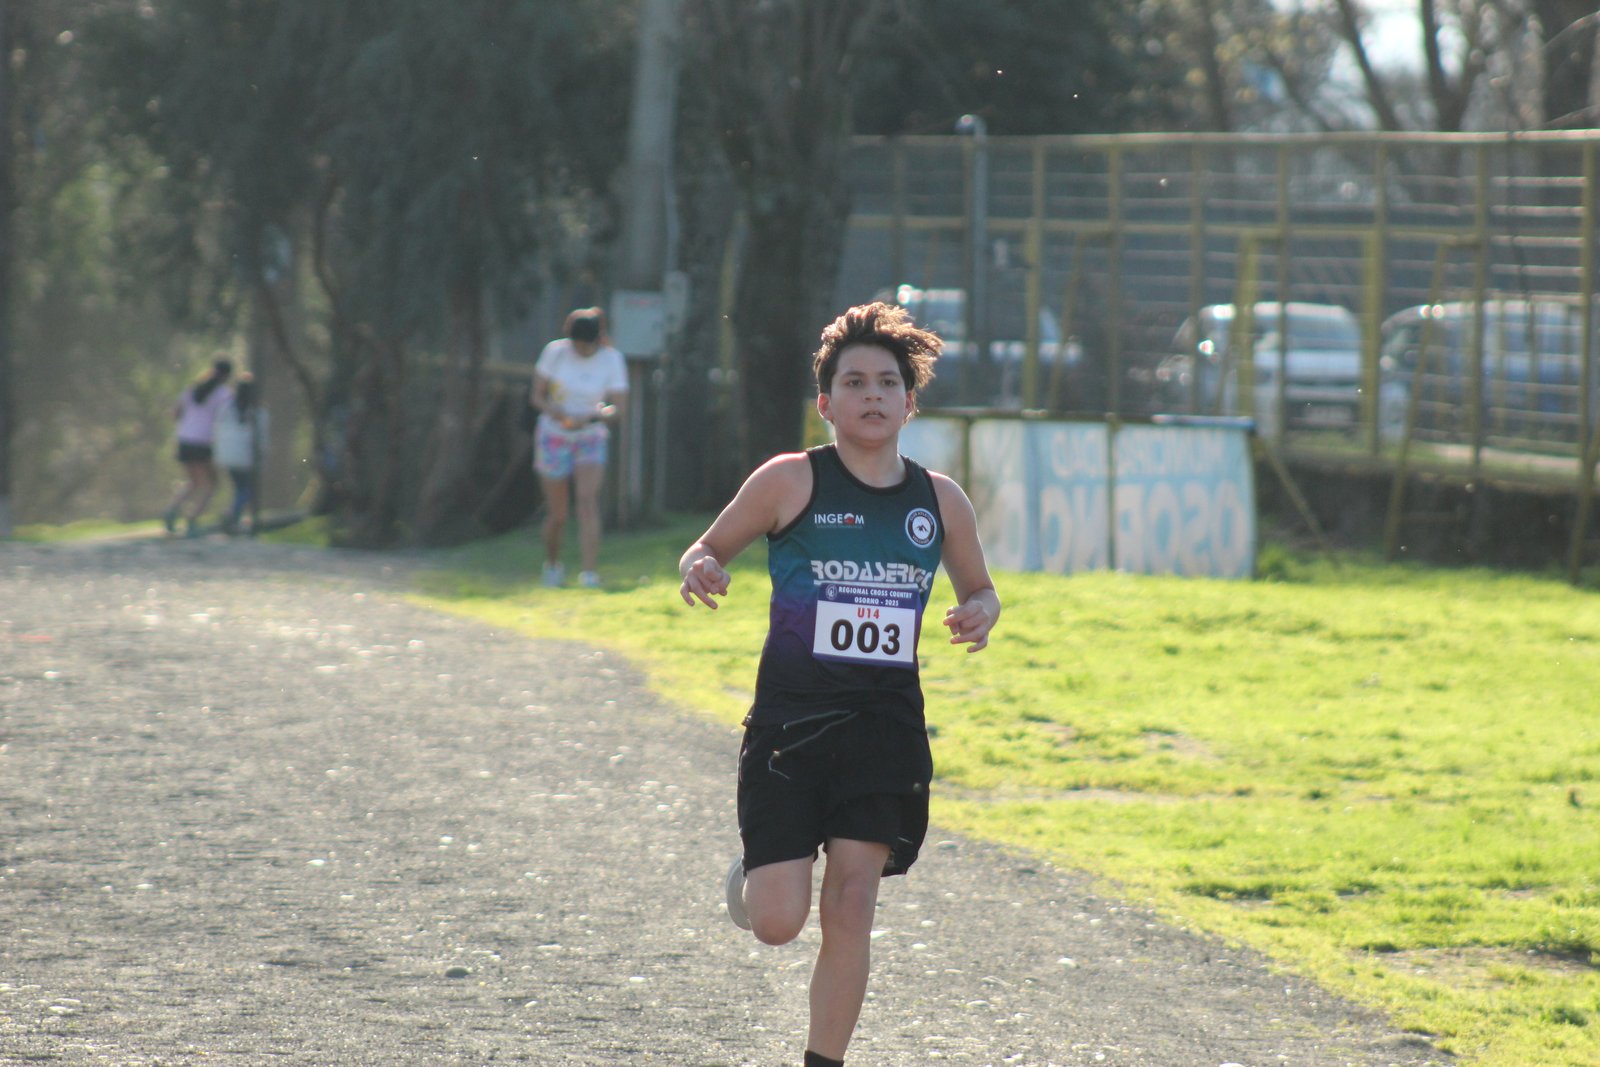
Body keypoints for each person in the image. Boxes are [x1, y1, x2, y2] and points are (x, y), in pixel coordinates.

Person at [677, 302, 1001, 1067]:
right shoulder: (790, 481)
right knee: (779, 922)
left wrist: (978, 612)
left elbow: (982, 588)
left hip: (883, 727)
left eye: (888, 382)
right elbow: (705, 544)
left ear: (909, 402)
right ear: (826, 402)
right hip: (792, 725)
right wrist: (702, 565)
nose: (872, 395)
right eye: (853, 381)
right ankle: (764, 868)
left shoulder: (939, 500)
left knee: (853, 901)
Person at [526, 307, 629, 588]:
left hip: (589, 435)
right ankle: (553, 565)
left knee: (586, 501)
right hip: (554, 435)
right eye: (576, 344)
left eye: (585, 345)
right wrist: (556, 412)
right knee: (558, 513)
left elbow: (618, 409)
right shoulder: (555, 353)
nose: (580, 349)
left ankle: (589, 573)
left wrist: (595, 415)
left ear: (597, 341)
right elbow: (536, 395)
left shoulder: (612, 360)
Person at [163, 358, 234, 538]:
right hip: (203, 442)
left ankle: (172, 509)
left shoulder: (194, 388)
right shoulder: (224, 394)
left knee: (193, 482)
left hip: (184, 439)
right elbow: (226, 421)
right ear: (227, 376)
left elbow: (175, 412)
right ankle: (192, 519)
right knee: (211, 484)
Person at [213, 373, 270, 535]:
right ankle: (232, 516)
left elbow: (217, 429)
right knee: (247, 490)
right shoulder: (258, 411)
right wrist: (264, 456)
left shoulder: (227, 407)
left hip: (226, 455)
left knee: (240, 488)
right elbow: (262, 437)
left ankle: (235, 517)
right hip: (246, 456)